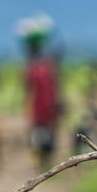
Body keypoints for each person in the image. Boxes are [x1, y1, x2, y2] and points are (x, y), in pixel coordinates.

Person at [22, 34, 60, 169]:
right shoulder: (49, 68)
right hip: (46, 106)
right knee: (45, 133)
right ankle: (44, 162)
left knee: (39, 134)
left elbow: (28, 89)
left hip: (40, 107)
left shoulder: (32, 69)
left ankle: (42, 162)